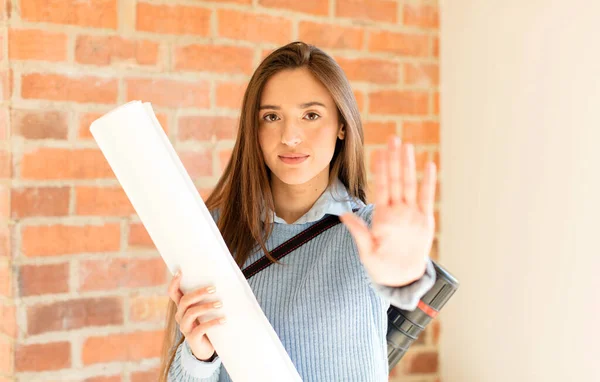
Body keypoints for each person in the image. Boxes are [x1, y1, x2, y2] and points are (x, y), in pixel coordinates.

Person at [159, 41, 437, 382]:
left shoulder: (367, 233)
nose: (289, 136)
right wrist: (198, 356)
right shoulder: (213, 231)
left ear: (342, 126)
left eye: (311, 115)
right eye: (272, 117)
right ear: (254, 130)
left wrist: (405, 278)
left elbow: (402, 282)